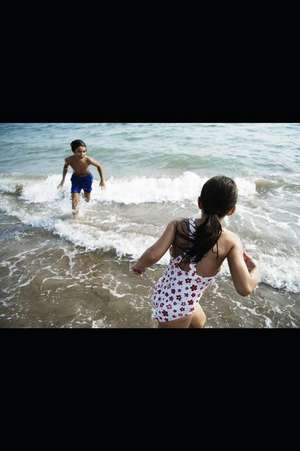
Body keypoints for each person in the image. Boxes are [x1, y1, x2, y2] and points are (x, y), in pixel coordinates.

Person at [132, 175, 260, 328]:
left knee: (199, 322)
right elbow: (244, 288)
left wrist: (139, 266)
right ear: (232, 210)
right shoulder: (231, 241)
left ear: (200, 203)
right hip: (179, 309)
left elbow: (153, 254)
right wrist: (256, 269)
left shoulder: (179, 225)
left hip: (165, 293)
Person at [57, 139, 106, 216]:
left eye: (84, 151)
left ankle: (80, 196)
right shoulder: (69, 159)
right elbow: (65, 167)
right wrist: (62, 180)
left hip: (87, 179)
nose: (82, 154)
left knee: (87, 200)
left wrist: (102, 180)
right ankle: (75, 219)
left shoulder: (88, 159)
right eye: (79, 151)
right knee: (74, 200)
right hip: (76, 179)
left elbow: (99, 166)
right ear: (74, 151)